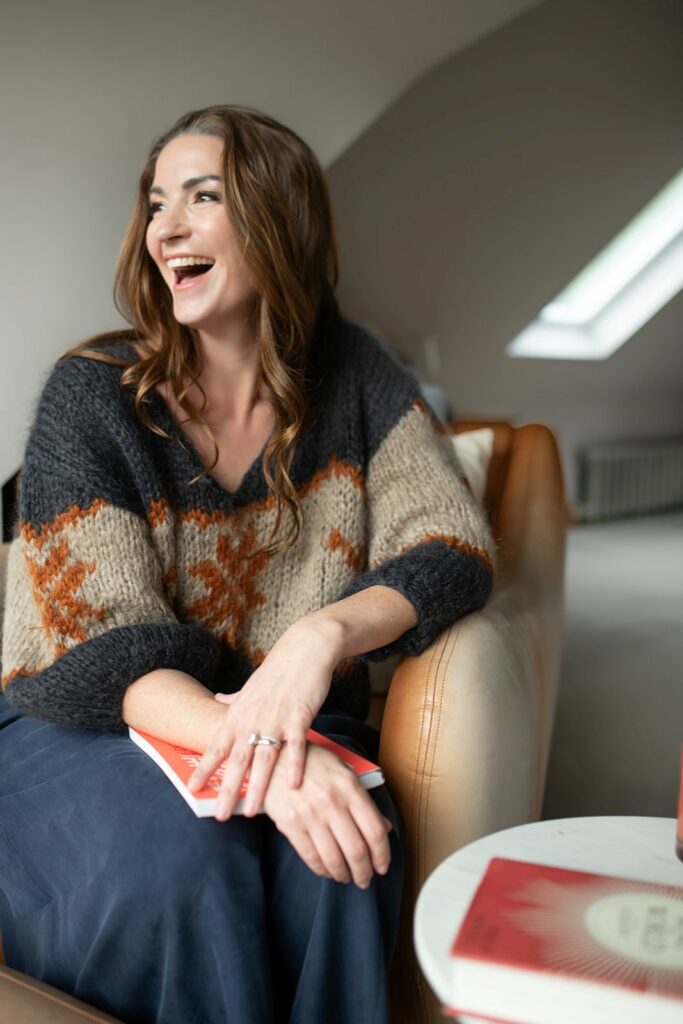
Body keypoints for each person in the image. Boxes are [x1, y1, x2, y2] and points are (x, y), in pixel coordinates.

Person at [0, 105, 495, 1024]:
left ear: (279, 217)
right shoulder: (92, 393)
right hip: (91, 722)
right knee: (186, 856)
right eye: (156, 204)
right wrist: (275, 758)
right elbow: (102, 648)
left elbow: (451, 545)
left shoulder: (356, 375)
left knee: (347, 855)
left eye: (202, 196)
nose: (166, 230)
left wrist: (318, 637)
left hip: (283, 715)